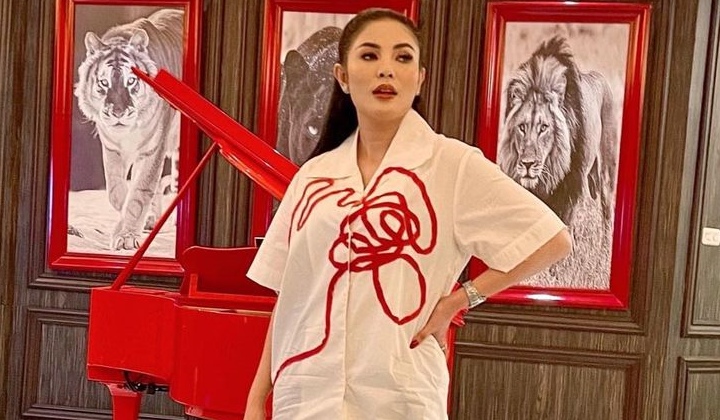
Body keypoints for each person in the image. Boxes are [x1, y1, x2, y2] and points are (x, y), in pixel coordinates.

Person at [244, 8, 572, 420]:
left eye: (402, 57)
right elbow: (290, 298)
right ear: (342, 77)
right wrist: (256, 398)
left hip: (399, 396)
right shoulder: (313, 177)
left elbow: (552, 240)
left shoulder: (452, 165)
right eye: (369, 56)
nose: (386, 69)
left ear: (419, 79)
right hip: (308, 396)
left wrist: (461, 299)